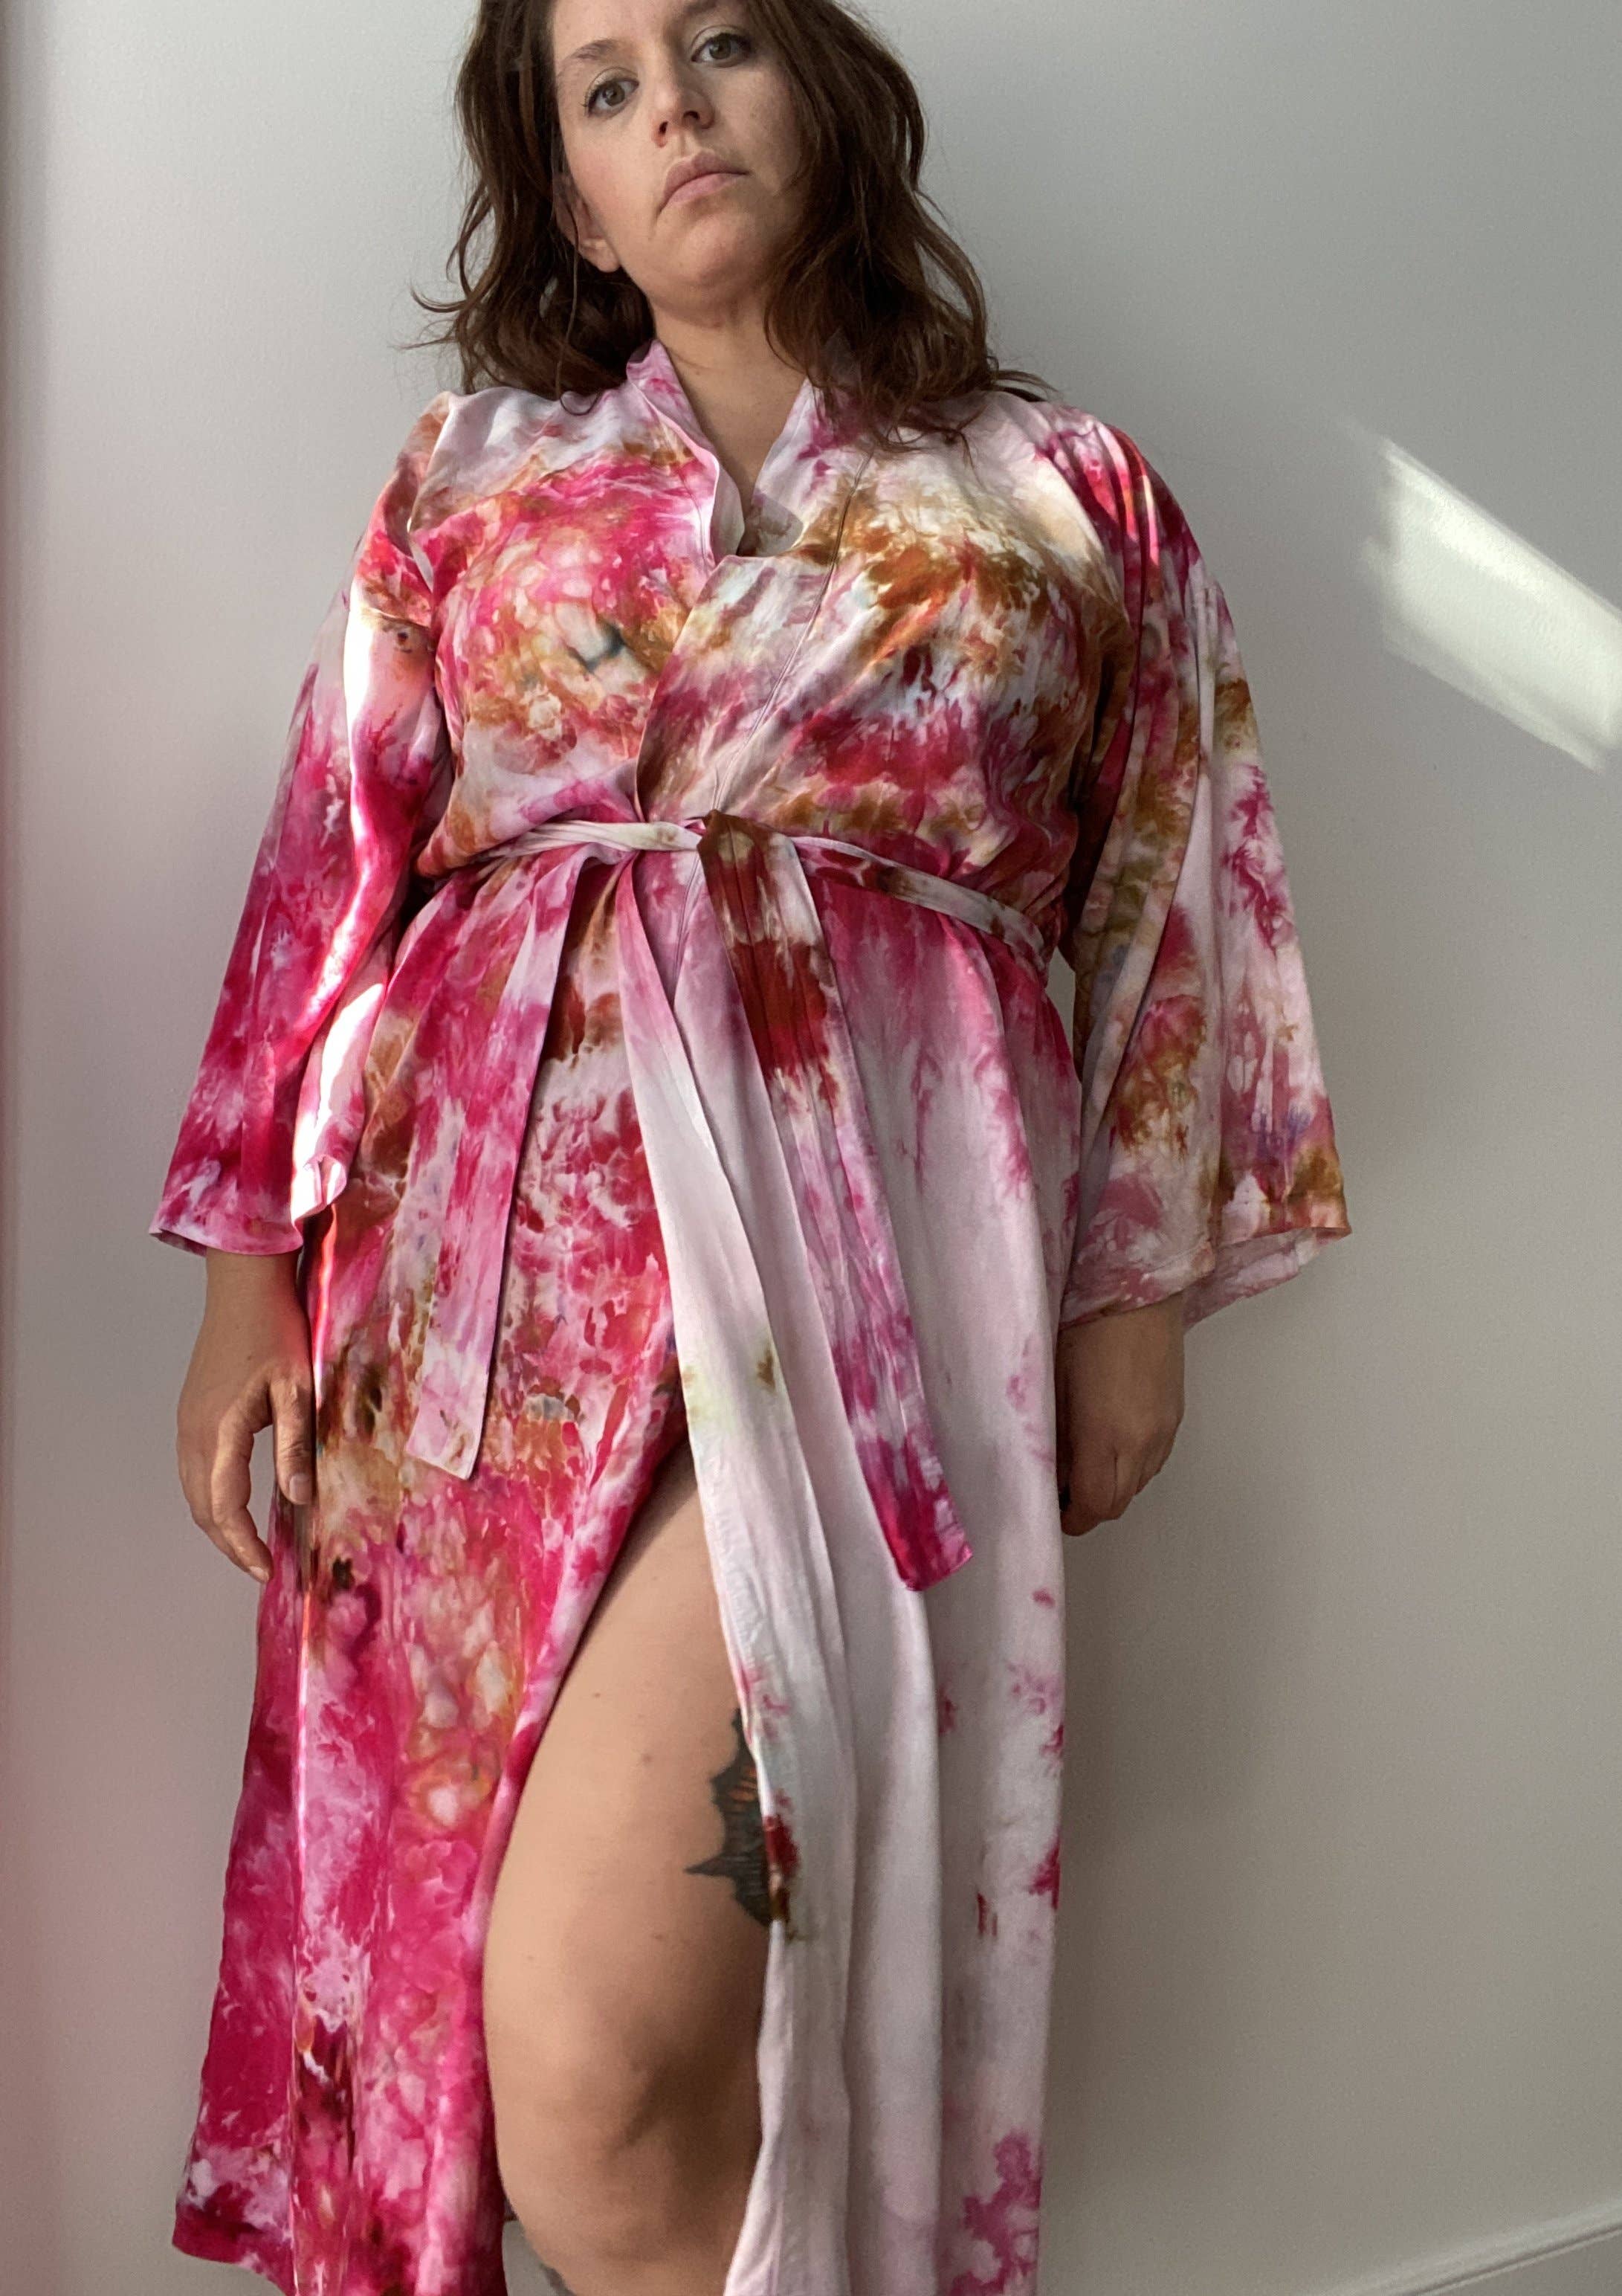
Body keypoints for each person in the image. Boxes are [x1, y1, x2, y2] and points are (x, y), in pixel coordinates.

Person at [151, 1, 1351, 2290]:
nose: (674, 105)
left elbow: (1172, 889)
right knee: (507, 2055)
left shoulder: (1061, 491)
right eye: (605, 87)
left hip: (864, 1299)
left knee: (596, 2073)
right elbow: (331, 870)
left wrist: (1131, 1295)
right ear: (578, 205)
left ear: (828, 90)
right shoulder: (470, 482)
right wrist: (245, 1285)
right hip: (475, 1320)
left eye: (719, 42)